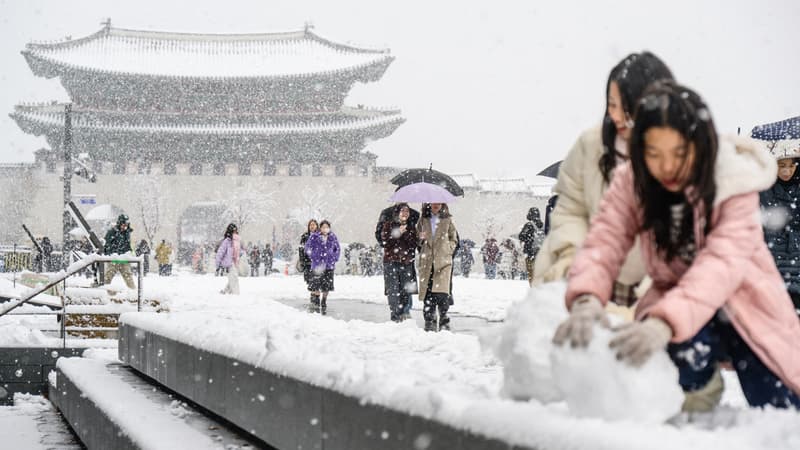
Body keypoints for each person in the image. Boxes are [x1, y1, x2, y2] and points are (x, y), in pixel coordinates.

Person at [554, 81, 800, 411]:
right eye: (654, 153)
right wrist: (586, 297)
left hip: (747, 302)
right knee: (678, 366)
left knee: (779, 407)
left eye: (678, 153)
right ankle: (697, 391)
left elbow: (720, 265)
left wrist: (664, 322)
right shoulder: (633, 179)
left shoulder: (733, 180)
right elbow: (605, 241)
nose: (666, 166)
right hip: (681, 307)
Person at [534, 51, 675, 309]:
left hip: (658, 289)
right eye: (613, 104)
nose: (619, 116)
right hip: (591, 276)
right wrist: (571, 265)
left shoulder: (681, 155)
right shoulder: (591, 146)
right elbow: (569, 212)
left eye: (629, 106)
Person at [755, 117, 800, 313]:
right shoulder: (763, 187)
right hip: (774, 260)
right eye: (782, 166)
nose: (787, 171)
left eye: (791, 166)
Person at [417, 203, 458, 332]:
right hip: (428, 260)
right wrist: (420, 238)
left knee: (442, 293)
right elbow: (417, 238)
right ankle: (430, 320)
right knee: (428, 292)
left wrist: (448, 248)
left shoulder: (447, 220)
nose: (436, 205)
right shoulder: (423, 220)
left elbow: (454, 238)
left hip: (443, 261)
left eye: (438, 202)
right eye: (433, 202)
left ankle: (444, 320)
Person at [377, 203, 420, 317]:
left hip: (406, 263)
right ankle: (395, 314)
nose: (405, 214)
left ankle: (404, 312)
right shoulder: (388, 225)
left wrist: (407, 234)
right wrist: (398, 232)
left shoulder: (411, 227)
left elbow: (413, 244)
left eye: (407, 211)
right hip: (391, 262)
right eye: (402, 211)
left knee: (406, 290)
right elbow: (385, 242)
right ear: (397, 213)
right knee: (393, 290)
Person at [304, 220, 341, 313]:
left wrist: (334, 258)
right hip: (317, 265)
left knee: (326, 286)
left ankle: (324, 300)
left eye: (327, 227)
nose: (325, 229)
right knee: (316, 285)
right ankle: (316, 302)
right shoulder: (314, 236)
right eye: (323, 227)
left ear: (329, 228)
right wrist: (313, 255)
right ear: (320, 228)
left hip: (329, 265)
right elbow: (307, 248)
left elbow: (337, 249)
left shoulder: (333, 237)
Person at [103, 214, 136, 289]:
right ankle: (103, 291)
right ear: (120, 223)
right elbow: (106, 245)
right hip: (114, 259)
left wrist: (129, 253)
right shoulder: (112, 232)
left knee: (128, 276)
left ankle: (134, 293)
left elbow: (127, 245)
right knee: (108, 277)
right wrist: (112, 254)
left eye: (126, 225)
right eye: (123, 225)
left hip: (123, 258)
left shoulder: (127, 233)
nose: (125, 227)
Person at [519, 207, 545, 284]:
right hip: (541, 254)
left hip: (531, 253)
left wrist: (527, 239)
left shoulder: (529, 225)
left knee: (531, 274)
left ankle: (535, 290)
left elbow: (521, 236)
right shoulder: (543, 225)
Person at [215, 223, 241, 295]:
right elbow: (220, 253)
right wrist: (217, 265)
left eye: (236, 230)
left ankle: (225, 291)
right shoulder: (227, 241)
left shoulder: (237, 241)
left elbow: (238, 251)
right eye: (234, 230)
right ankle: (236, 294)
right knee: (234, 278)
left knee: (233, 278)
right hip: (228, 264)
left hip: (235, 262)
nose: (235, 232)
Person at [299, 220, 319, 304]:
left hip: (317, 263)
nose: (312, 226)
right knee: (310, 281)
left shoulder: (320, 236)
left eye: (314, 225)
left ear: (316, 226)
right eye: (310, 225)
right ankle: (313, 296)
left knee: (317, 281)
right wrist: (302, 260)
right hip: (307, 263)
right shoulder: (305, 236)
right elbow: (301, 249)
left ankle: (316, 298)